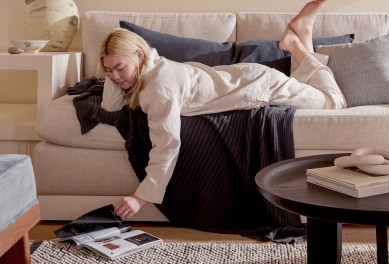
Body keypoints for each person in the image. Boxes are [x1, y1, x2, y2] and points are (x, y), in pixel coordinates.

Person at [98, 0, 346, 219]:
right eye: (109, 71)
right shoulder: (151, 68)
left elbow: (167, 144)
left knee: (333, 103)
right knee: (310, 89)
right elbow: (111, 105)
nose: (116, 77)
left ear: (140, 55)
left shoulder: (160, 86)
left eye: (120, 68)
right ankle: (299, 37)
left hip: (261, 85)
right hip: (247, 79)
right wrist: (115, 71)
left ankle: (298, 44)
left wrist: (141, 197)